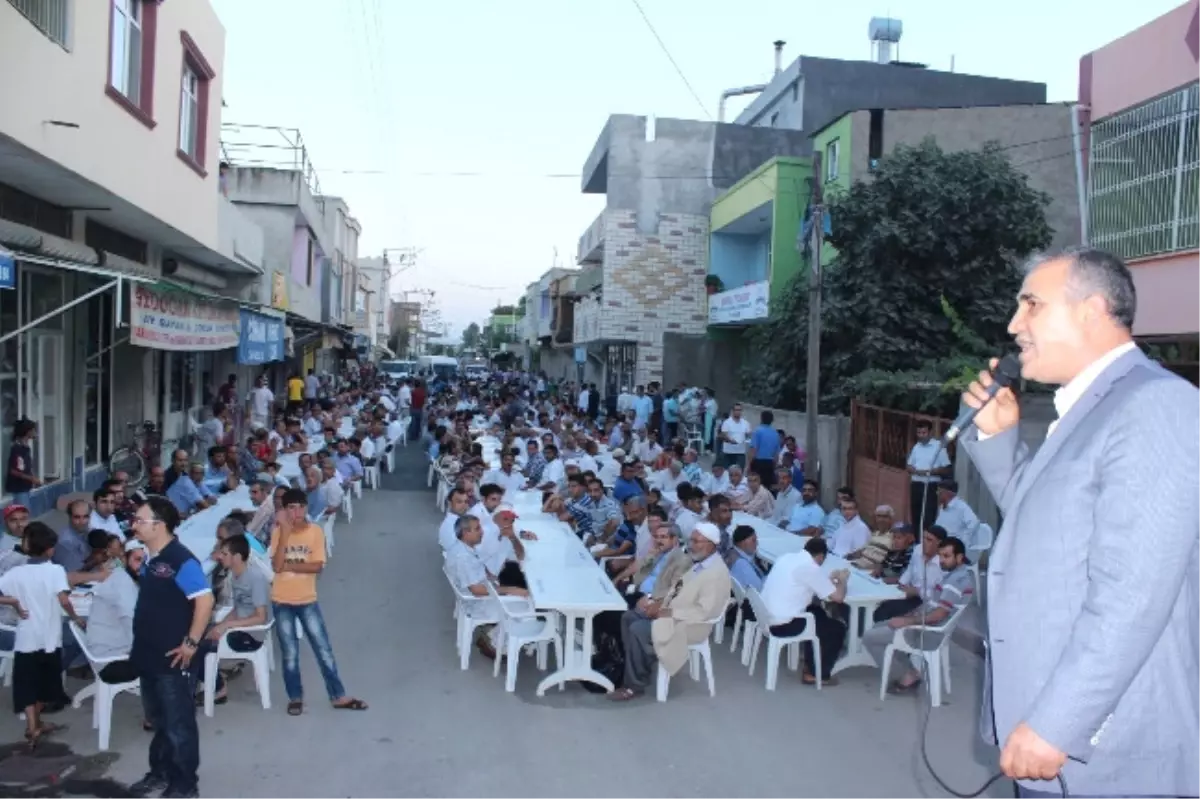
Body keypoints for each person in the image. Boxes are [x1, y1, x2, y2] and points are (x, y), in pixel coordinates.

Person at [960, 248, 1200, 797]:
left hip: (1110, 755)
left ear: (1091, 311)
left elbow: (1133, 595)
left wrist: (1056, 723)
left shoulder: (1155, 406)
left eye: (1032, 305)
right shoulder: (1086, 409)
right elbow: (1049, 527)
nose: (1013, 324)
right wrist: (999, 441)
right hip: (1055, 738)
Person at [128, 496, 214, 799]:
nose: (134, 525)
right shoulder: (150, 557)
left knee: (179, 725)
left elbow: (205, 600)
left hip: (173, 659)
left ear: (159, 525)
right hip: (148, 654)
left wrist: (190, 643)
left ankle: (184, 785)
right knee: (159, 720)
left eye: (140, 520)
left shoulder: (181, 559)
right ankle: (160, 772)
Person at [269, 488, 367, 716]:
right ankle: (295, 697)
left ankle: (338, 695)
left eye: (300, 507)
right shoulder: (278, 533)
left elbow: (316, 566)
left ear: (306, 508)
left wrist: (288, 566)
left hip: (307, 599)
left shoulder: (315, 532)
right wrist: (284, 531)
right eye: (291, 508)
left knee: (323, 649)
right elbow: (276, 565)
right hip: (281, 600)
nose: (296, 512)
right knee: (289, 653)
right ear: (284, 511)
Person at [0, 522, 83, 748]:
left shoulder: (15, 573)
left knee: (26, 683)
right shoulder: (54, 571)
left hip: (26, 638)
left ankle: (32, 725)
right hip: (48, 637)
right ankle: (35, 725)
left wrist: (13, 602)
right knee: (44, 683)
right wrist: (75, 617)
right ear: (49, 549)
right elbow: (64, 600)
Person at [4, 418, 43, 507]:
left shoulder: (25, 447)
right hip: (18, 488)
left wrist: (32, 478)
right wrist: (31, 479)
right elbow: (13, 471)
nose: (35, 432)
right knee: (22, 513)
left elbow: (24, 467)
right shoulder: (17, 448)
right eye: (33, 430)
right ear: (27, 432)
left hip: (24, 487)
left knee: (25, 513)